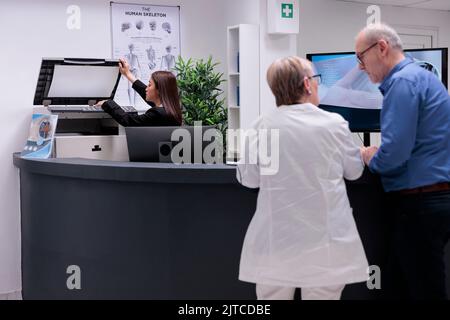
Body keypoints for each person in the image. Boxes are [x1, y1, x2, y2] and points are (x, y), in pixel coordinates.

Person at [236, 56, 369, 300]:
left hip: (277, 242)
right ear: (307, 84)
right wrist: (361, 153)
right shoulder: (334, 124)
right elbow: (354, 172)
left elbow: (250, 180)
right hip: (325, 244)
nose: (318, 86)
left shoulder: (261, 126)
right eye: (317, 80)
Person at [356, 23, 450, 299]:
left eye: (361, 57)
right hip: (431, 200)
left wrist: (371, 157)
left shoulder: (403, 83)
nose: (361, 66)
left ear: (382, 47)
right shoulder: (420, 77)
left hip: (418, 204)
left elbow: (394, 155)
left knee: (422, 291)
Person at [97, 58, 182, 126]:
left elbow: (129, 121)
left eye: (149, 85)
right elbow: (144, 92)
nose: (146, 88)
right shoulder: (171, 110)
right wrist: (127, 74)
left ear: (159, 90)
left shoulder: (158, 113)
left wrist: (108, 103)